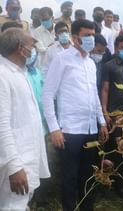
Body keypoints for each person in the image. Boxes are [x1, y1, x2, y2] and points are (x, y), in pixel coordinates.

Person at [42, 19, 108, 211]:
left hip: (90, 128)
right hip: (70, 129)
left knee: (87, 175)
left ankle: (87, 207)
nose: (90, 39)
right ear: (74, 37)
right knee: (69, 177)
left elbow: (94, 95)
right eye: (86, 35)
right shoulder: (62, 59)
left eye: (92, 35)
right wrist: (54, 128)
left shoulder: (91, 63)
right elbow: (48, 94)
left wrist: (101, 121)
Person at [0, 28, 50, 210]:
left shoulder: (20, 73)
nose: (34, 50)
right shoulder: (2, 75)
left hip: (27, 156)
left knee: (21, 204)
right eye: (32, 46)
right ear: (21, 49)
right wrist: (14, 167)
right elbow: (1, 125)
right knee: (12, 205)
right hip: (15, 162)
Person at [100, 35, 123, 199]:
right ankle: (117, 184)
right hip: (116, 114)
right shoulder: (109, 66)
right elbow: (105, 89)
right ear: (116, 48)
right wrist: (105, 111)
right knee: (118, 149)